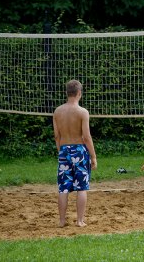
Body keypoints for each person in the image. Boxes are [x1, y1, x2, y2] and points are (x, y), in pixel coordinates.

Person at [53, 79, 97, 227]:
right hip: (80, 150)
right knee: (82, 187)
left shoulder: (57, 111)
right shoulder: (82, 112)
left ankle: (61, 221)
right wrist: (93, 156)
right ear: (79, 93)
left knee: (63, 187)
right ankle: (79, 221)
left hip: (64, 150)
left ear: (67, 93)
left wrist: (62, 151)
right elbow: (86, 137)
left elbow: (57, 136)